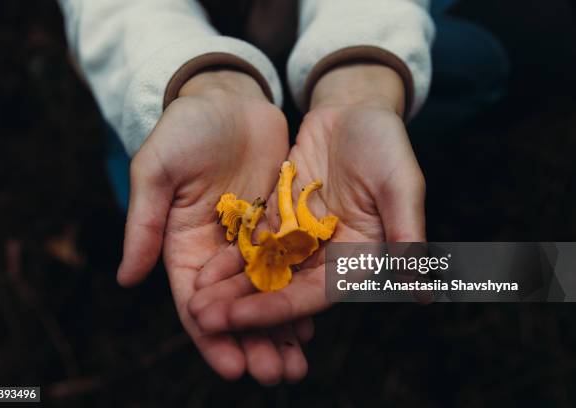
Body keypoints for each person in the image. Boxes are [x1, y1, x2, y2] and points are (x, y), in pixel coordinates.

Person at [58, 0, 509, 385]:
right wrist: (192, 78)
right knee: (142, 182)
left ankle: (315, 74)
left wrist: (364, 76)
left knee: (480, 66)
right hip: (159, 39)